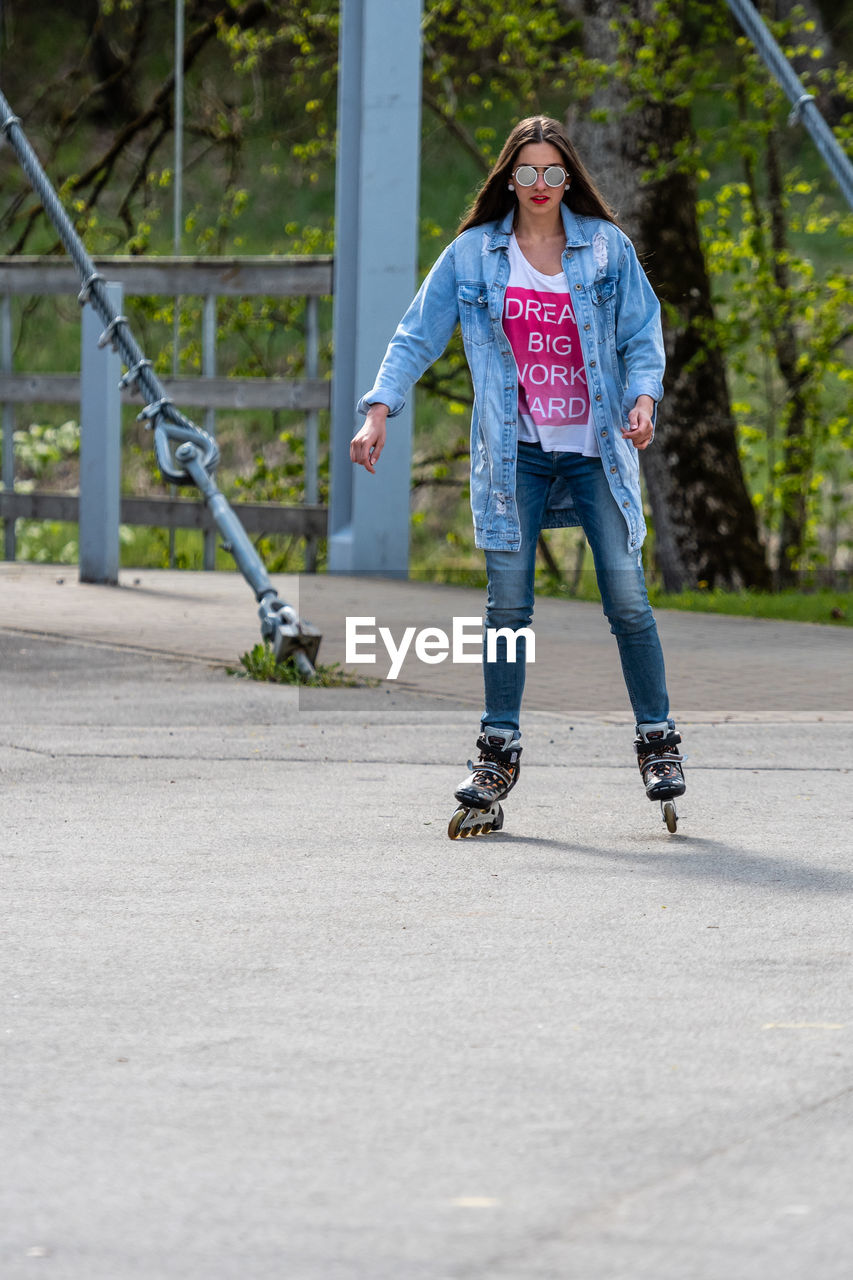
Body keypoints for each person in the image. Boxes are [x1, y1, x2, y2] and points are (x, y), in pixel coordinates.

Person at [350, 115, 686, 833]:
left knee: (626, 599)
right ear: (509, 177)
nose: (538, 186)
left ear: (568, 179)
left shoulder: (604, 250)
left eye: (551, 173)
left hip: (597, 448)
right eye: (525, 173)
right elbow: (417, 332)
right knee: (507, 608)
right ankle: (496, 749)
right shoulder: (473, 255)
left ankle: (656, 741)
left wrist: (643, 399)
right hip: (516, 455)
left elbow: (639, 336)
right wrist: (379, 409)